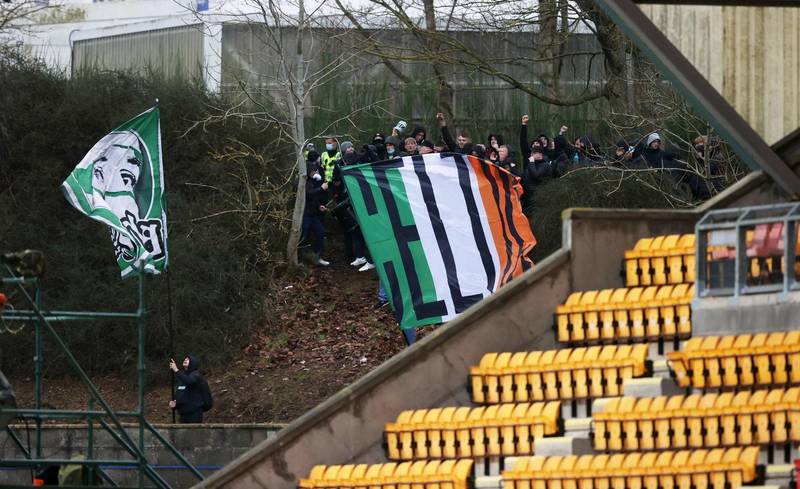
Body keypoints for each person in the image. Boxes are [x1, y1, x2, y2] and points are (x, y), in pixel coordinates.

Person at [301, 153, 330, 266]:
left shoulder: (311, 182)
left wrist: (319, 206)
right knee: (303, 237)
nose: (315, 173)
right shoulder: (302, 182)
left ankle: (317, 257)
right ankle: (301, 260)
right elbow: (308, 194)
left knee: (321, 232)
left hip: (312, 213)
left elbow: (313, 196)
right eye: (313, 171)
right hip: (305, 214)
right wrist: (321, 188)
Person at [168, 355, 209, 424]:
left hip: (194, 414)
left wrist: (176, 370)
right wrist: (175, 404)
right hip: (183, 414)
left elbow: (189, 381)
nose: (185, 360)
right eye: (185, 359)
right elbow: (180, 394)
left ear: (193, 362)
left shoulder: (196, 375)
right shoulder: (182, 378)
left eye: (188, 359)